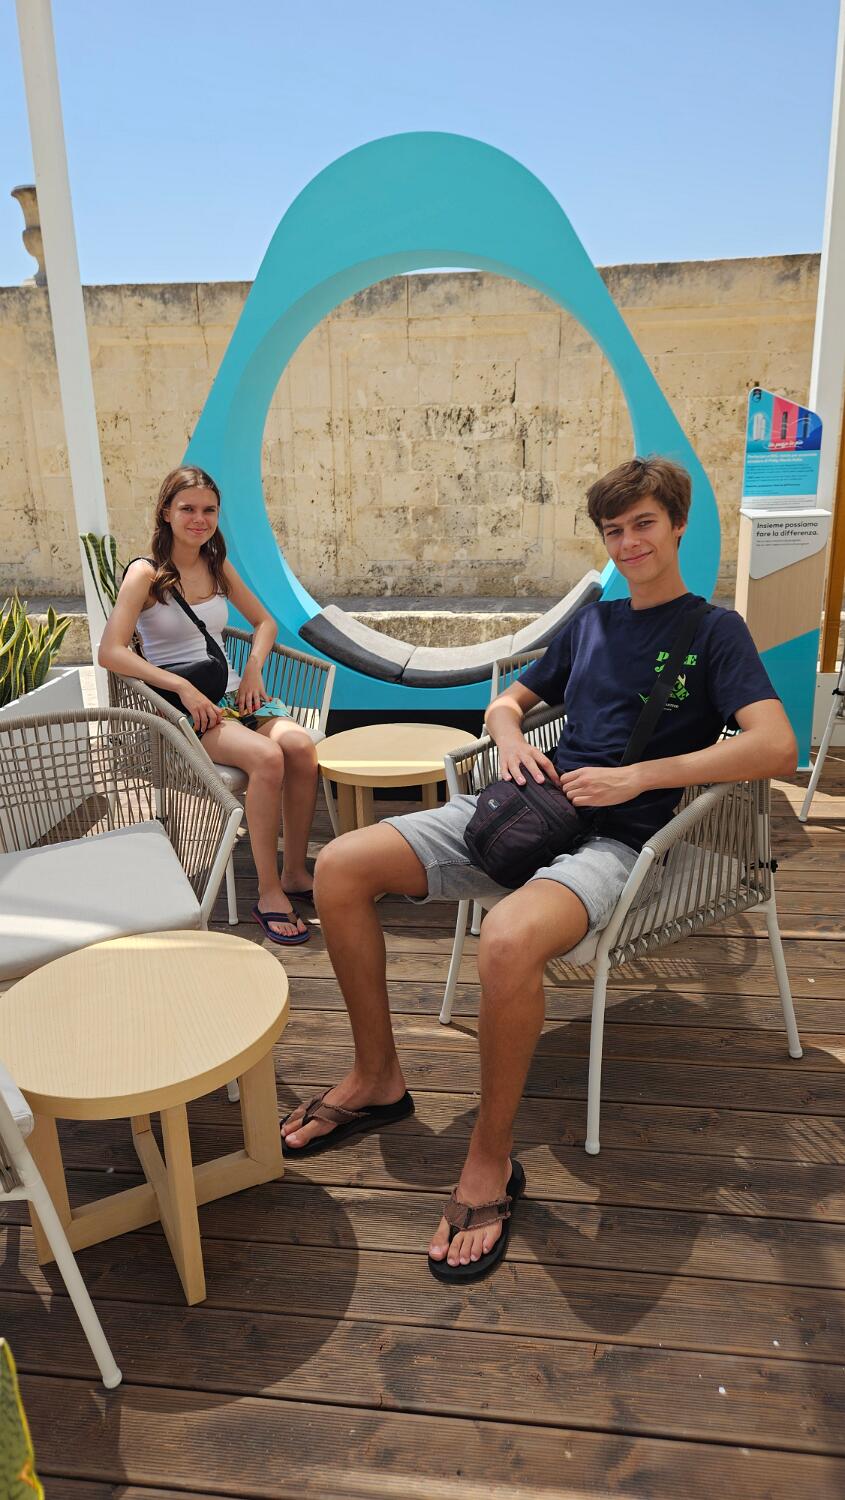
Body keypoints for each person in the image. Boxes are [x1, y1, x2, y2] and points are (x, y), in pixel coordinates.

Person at [280, 456, 798, 1279]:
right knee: (341, 864)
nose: (628, 543)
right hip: (530, 811)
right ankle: (376, 1076)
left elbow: (775, 746)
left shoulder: (712, 631)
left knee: (508, 940)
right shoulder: (592, 624)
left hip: (621, 842)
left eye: (644, 525)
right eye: (613, 530)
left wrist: (638, 777)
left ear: (677, 526)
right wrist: (511, 738)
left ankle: (489, 1157)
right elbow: (507, 702)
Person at [99, 464, 318, 945]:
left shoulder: (216, 564)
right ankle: (268, 892)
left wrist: (254, 668)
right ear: (166, 512)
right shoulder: (146, 574)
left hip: (235, 693)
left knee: (300, 747)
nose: (199, 519)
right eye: (188, 509)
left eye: (209, 510)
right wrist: (180, 687)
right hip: (188, 708)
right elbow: (110, 651)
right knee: (268, 758)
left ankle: (295, 873)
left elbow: (264, 623)